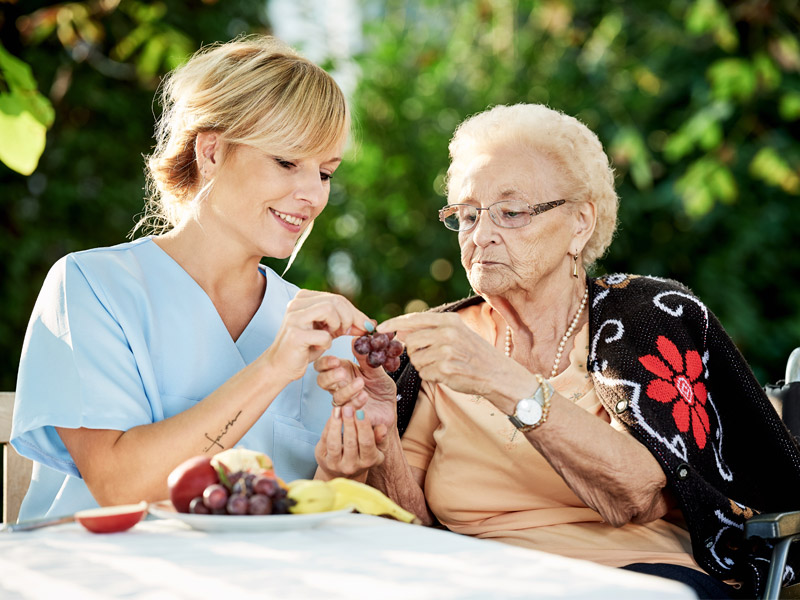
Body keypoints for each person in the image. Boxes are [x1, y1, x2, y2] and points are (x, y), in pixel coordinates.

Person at [314, 103, 800, 599]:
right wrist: (381, 436)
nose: (480, 236)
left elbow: (637, 495)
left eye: (511, 212)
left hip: (630, 579)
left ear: (579, 224)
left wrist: (498, 379)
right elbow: (410, 526)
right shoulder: (443, 341)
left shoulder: (647, 318)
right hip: (473, 583)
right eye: (465, 215)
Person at [10, 35, 376, 522]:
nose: (312, 194)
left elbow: (308, 513)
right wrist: (272, 368)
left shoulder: (318, 328)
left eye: (326, 173)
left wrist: (341, 472)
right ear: (211, 151)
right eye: (286, 162)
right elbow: (119, 485)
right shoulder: (91, 287)